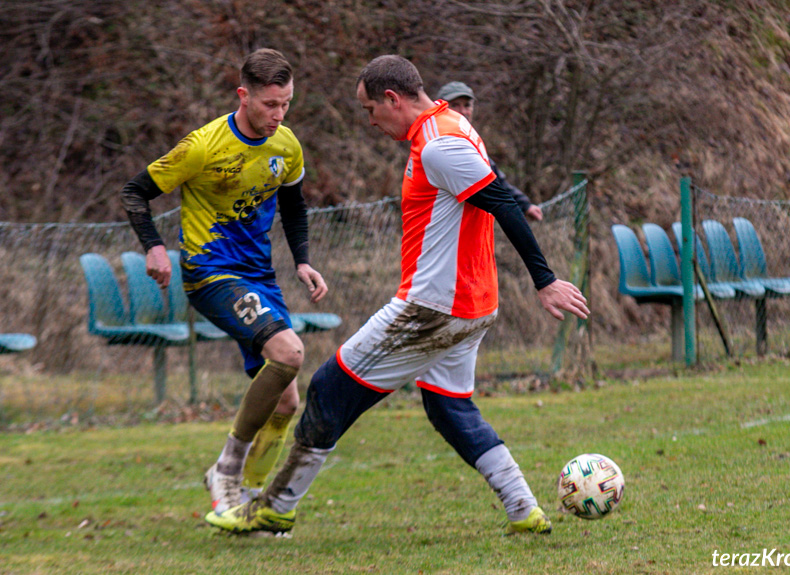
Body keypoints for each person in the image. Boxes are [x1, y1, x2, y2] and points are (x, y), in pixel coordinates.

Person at [205, 55, 589, 537]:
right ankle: (523, 509)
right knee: (447, 404)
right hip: (473, 306)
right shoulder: (452, 125)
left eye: (370, 110)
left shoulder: (437, 145)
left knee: (328, 389)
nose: (370, 122)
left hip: (432, 307)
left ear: (393, 99)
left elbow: (503, 204)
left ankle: (276, 506)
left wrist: (544, 279)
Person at [121, 48, 328, 515]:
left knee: (285, 404)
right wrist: (154, 246)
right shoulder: (202, 146)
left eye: (287, 104)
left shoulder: (286, 145)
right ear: (243, 95)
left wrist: (303, 261)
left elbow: (294, 205)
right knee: (291, 353)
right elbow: (136, 191)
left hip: (259, 278)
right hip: (210, 272)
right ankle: (227, 471)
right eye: (270, 104)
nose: (279, 114)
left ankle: (250, 501)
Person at [436, 81, 543, 222]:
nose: (462, 111)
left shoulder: (471, 140)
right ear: (441, 107)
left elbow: (494, 178)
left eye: (467, 105)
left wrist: (524, 204)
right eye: (455, 105)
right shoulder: (436, 142)